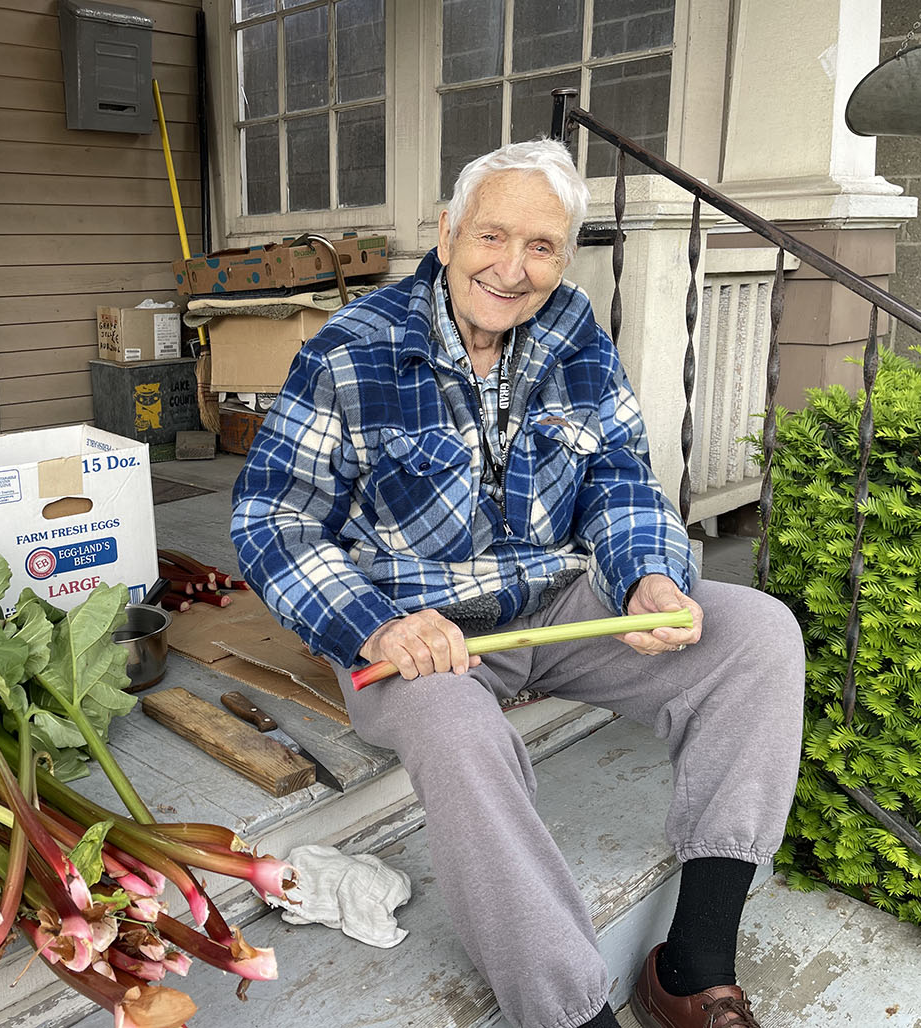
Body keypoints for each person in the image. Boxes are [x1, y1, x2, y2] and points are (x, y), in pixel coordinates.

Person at [231, 138, 804, 1028]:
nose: (512, 268)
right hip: (416, 633)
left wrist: (648, 575)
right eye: (492, 236)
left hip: (559, 604)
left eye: (541, 246)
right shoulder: (353, 350)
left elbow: (619, 474)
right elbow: (273, 521)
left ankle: (692, 964)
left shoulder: (575, 334)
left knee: (759, 634)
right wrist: (378, 626)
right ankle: (571, 1012)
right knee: (458, 728)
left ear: (564, 256)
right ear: (449, 232)